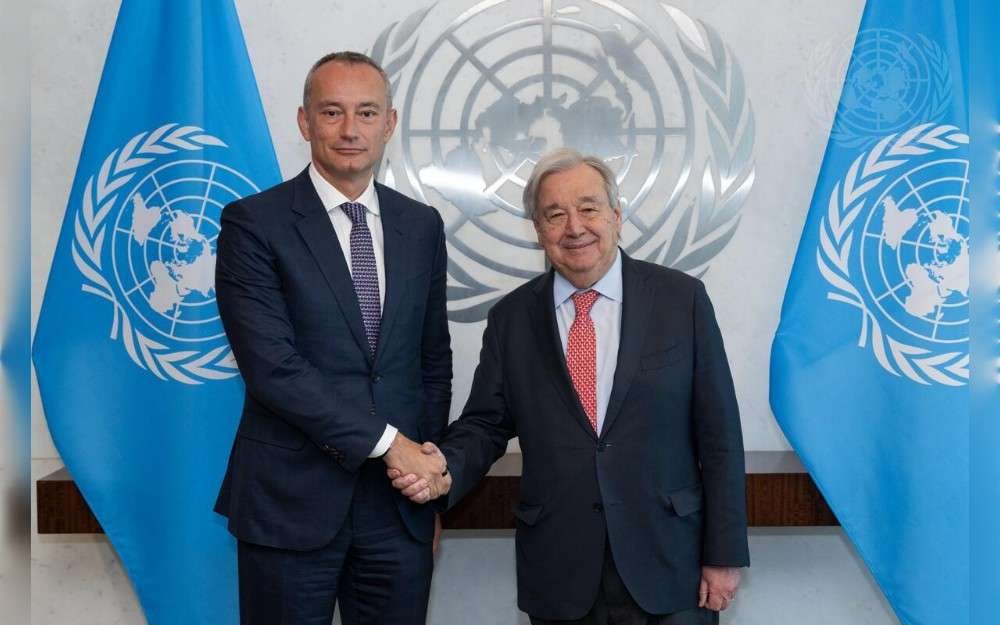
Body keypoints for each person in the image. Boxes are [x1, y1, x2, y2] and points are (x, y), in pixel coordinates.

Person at [391, 148, 749, 624]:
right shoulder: (511, 319)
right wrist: (444, 467)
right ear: (538, 231)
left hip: (670, 564)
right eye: (555, 214)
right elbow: (485, 424)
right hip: (560, 571)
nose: (574, 227)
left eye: (588, 208)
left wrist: (723, 554)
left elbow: (720, 435)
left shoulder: (680, 300)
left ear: (616, 216)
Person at [213, 51, 452, 625]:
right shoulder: (252, 224)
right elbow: (274, 369)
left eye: (367, 113)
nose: (350, 130)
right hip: (291, 505)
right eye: (332, 112)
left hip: (399, 510)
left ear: (389, 124)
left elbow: (432, 363)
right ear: (304, 122)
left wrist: (428, 471)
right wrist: (389, 443)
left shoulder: (421, 225)